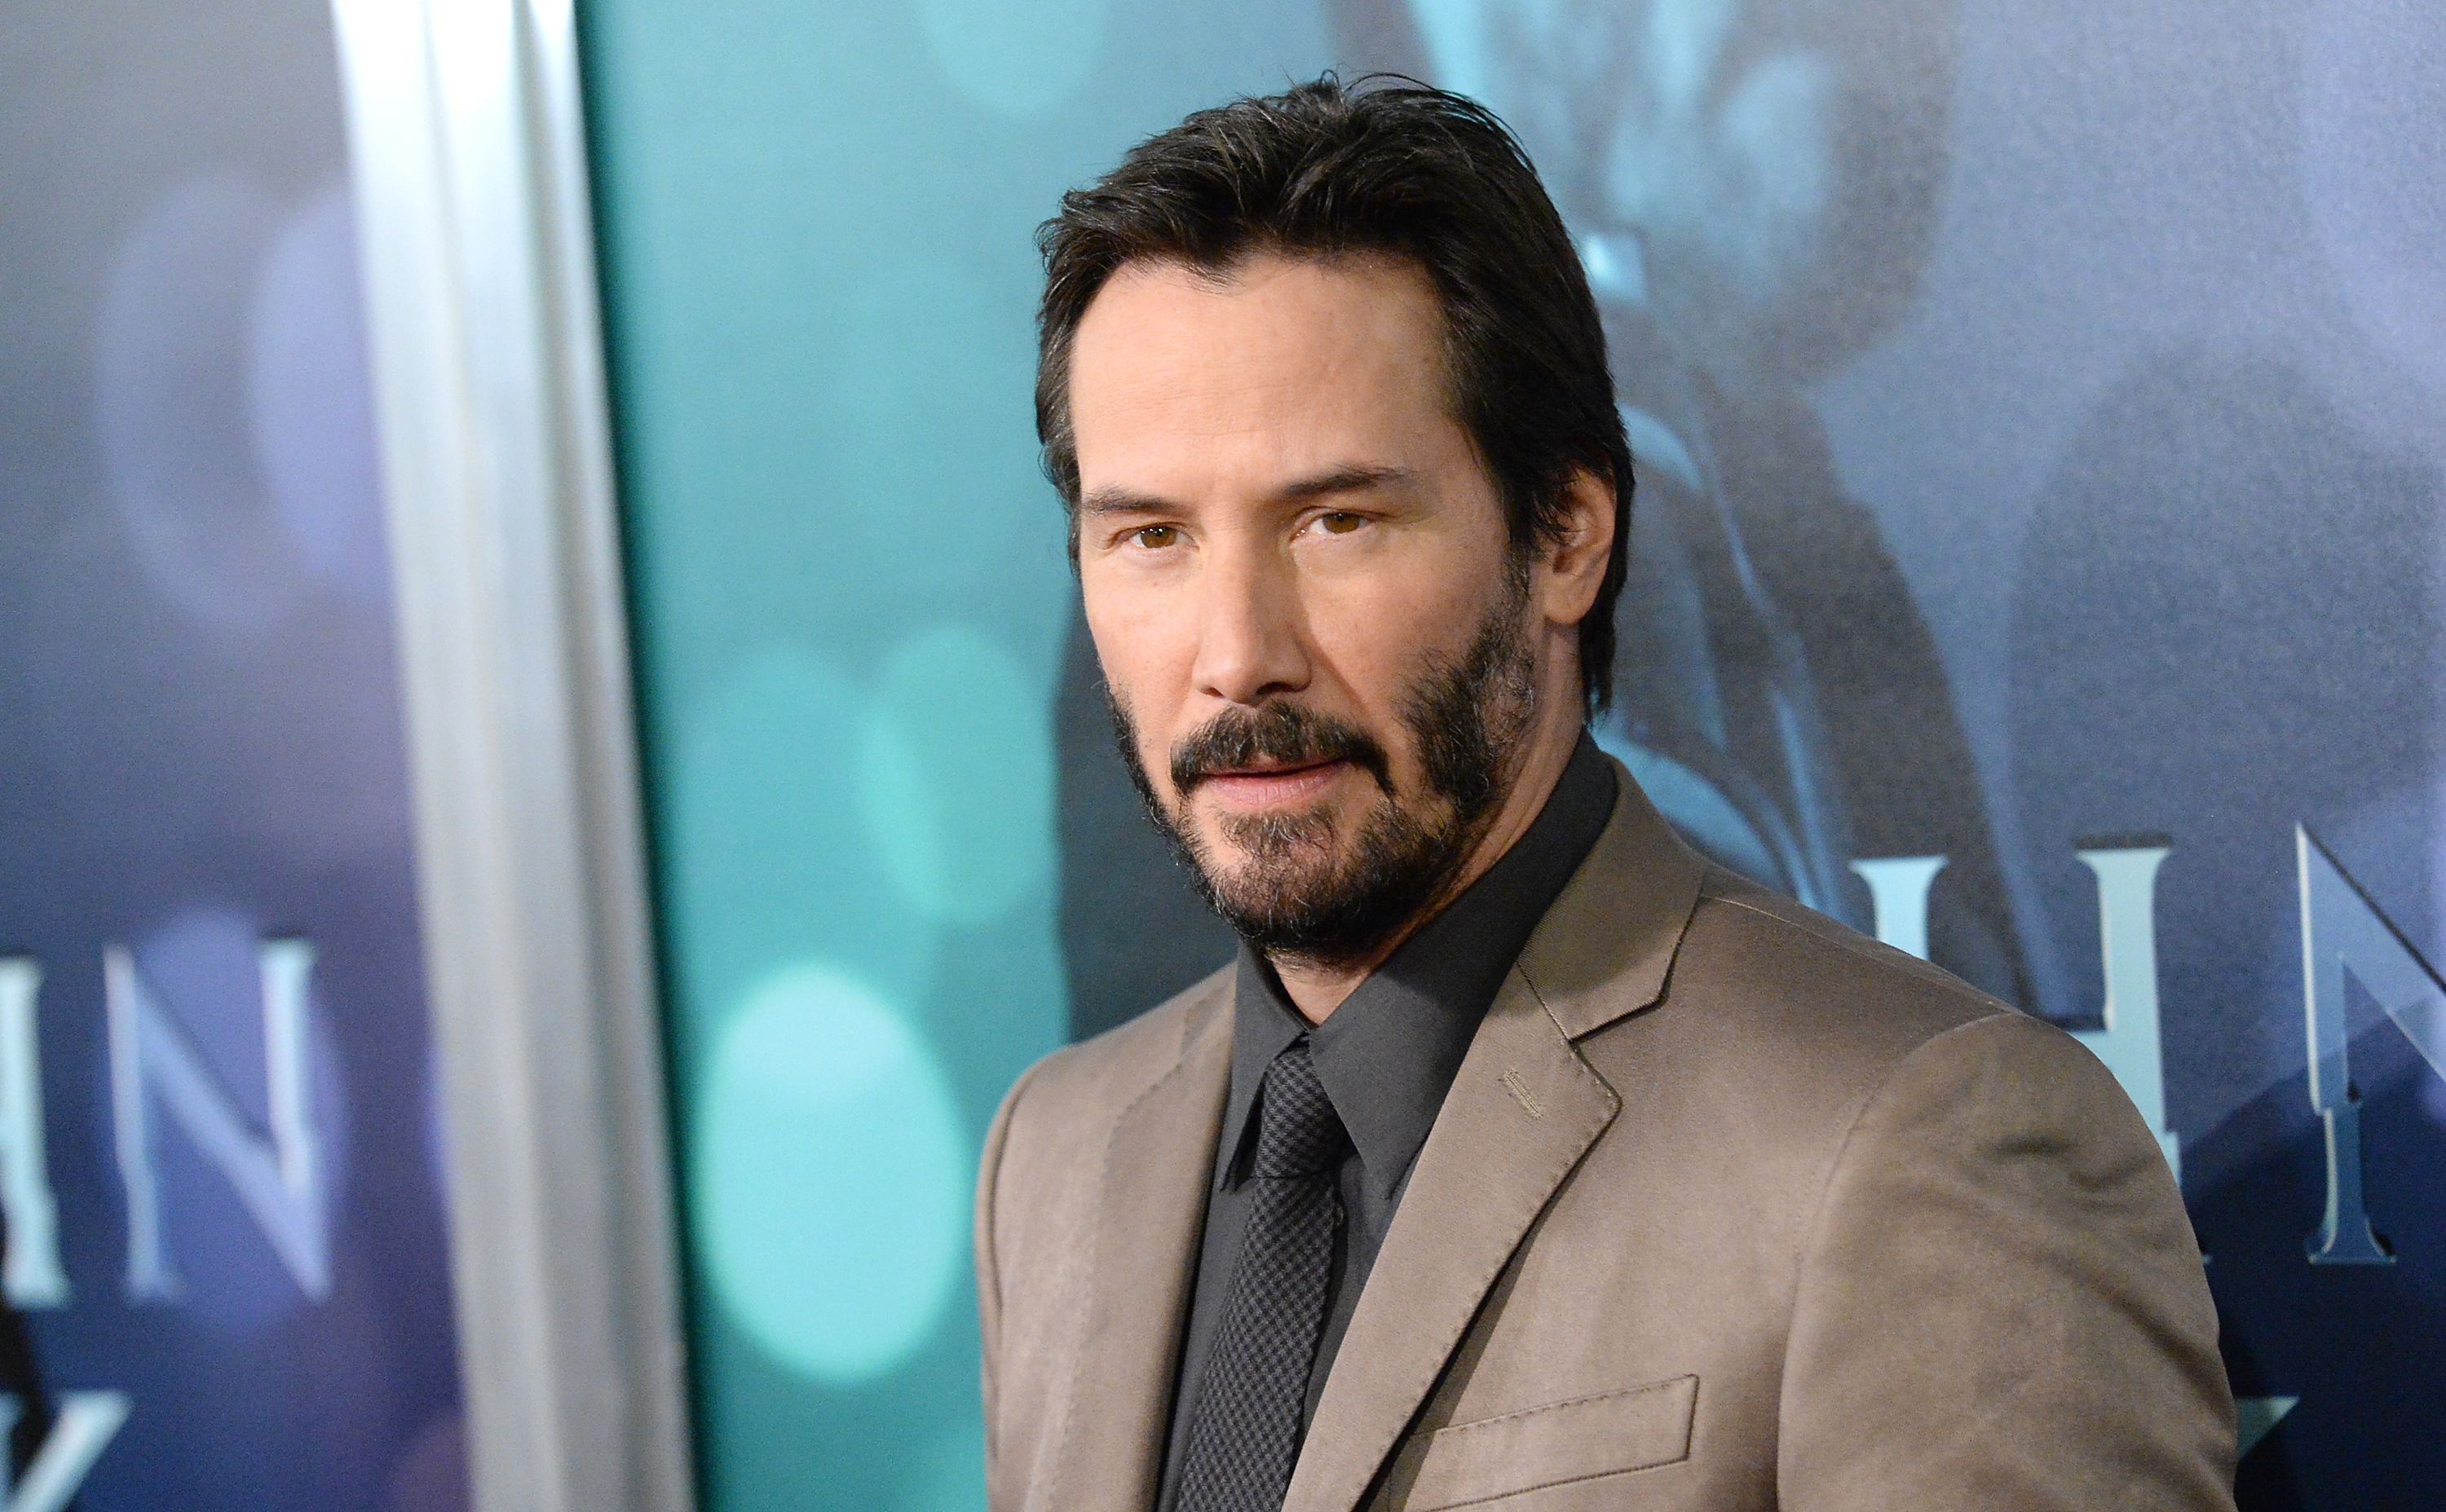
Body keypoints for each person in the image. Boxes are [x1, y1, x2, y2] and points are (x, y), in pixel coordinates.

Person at [976, 76, 2234, 1512]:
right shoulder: (1055, 1162)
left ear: (1568, 534)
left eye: (1336, 520)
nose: (1238, 656)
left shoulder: (1919, 1145)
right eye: (1151, 538)